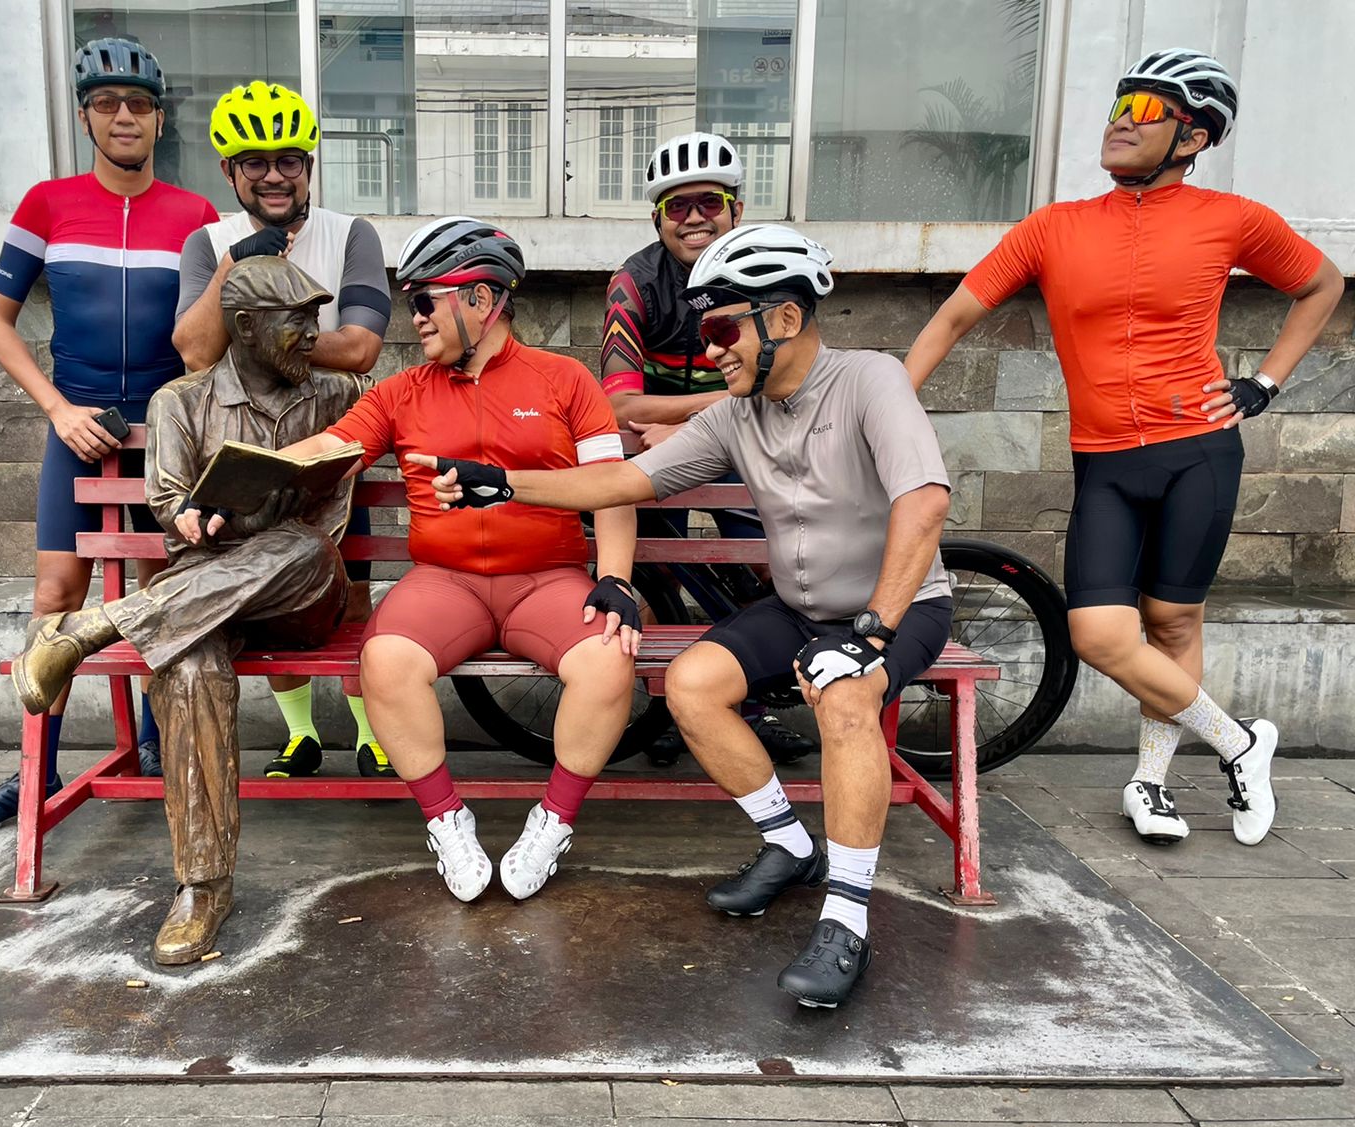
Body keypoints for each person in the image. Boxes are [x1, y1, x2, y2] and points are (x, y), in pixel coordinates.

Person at [415, 225, 955, 1009]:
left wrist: (872, 634)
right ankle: (788, 844)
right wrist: (503, 483)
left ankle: (846, 918)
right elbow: (623, 482)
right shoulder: (738, 413)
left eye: (723, 330)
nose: (710, 352)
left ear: (785, 318)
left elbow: (925, 501)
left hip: (896, 608)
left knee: (845, 699)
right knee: (691, 684)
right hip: (800, 608)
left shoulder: (870, 380)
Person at [903, 48, 1344, 849]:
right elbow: (955, 316)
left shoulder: (1232, 218)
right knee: (1100, 634)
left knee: (1173, 621)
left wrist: (1265, 383)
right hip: (1105, 460)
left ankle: (1151, 783)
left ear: (1194, 138)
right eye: (1119, 106)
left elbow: (1323, 284)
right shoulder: (1053, 227)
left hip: (1199, 449)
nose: (1120, 123)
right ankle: (1242, 743)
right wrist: (892, 405)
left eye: (1145, 111)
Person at [7, 259, 367, 964]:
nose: (311, 334)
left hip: (303, 589)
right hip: (205, 595)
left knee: (300, 544)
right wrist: (210, 521)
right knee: (189, 665)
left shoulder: (338, 393)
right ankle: (203, 889)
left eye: (314, 318)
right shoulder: (181, 401)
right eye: (296, 319)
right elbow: (172, 510)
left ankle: (97, 627)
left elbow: (370, 441)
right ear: (246, 326)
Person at [280, 218, 641, 903]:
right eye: (410, 302)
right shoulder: (401, 390)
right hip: (445, 583)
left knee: (608, 656)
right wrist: (231, 477)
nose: (413, 317)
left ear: (481, 300)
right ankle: (447, 820)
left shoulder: (566, 380)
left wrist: (616, 578)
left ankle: (554, 820)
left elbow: (613, 490)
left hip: (548, 581)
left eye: (425, 300)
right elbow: (327, 451)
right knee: (385, 660)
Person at [0, 37, 218, 827]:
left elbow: (211, 335)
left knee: (162, 595)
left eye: (138, 104)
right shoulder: (47, 204)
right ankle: (37, 770)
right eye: (106, 103)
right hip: (79, 432)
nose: (123, 116)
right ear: (85, 117)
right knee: (57, 596)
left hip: (166, 435)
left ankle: (162, 748)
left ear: (160, 120)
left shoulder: (196, 216)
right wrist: (58, 409)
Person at [172, 81, 395, 780]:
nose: (274, 175)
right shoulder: (208, 244)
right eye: (255, 163)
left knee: (349, 590)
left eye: (289, 161)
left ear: (309, 166)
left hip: (333, 440)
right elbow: (195, 353)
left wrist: (269, 338)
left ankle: (371, 733)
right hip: (244, 443)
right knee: (266, 591)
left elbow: (361, 347)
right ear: (228, 171)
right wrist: (237, 264)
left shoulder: (351, 234)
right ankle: (301, 734)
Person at [602, 130, 814, 768]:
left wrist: (706, 417)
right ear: (658, 219)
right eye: (677, 205)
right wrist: (712, 417)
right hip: (659, 449)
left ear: (736, 210)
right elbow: (621, 406)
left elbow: (787, 376)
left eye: (710, 202)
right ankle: (674, 707)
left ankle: (751, 706)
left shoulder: (766, 271)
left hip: (747, 435)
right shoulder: (633, 284)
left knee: (766, 568)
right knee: (659, 575)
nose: (694, 217)